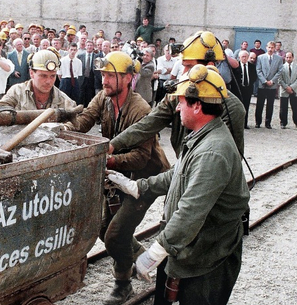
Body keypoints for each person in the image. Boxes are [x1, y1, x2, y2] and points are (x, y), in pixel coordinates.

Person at [106, 64, 249, 305]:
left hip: (208, 258)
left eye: (182, 101)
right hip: (194, 249)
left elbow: (191, 211)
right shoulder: (203, 137)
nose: (178, 107)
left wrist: (155, 252)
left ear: (197, 105)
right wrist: (139, 187)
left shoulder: (212, 152)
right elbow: (178, 175)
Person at [64, 51, 170, 305]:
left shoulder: (140, 109)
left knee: (114, 236)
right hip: (118, 176)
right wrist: (63, 130)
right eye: (103, 75)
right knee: (103, 229)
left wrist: (107, 159)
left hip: (144, 180)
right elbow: (84, 120)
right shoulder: (103, 98)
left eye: (111, 76)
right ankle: (140, 257)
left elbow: (141, 159)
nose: (105, 81)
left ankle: (123, 283)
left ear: (128, 79)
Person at [109, 30, 245, 161]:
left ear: (209, 66)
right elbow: (148, 124)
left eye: (189, 67)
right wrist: (113, 145)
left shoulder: (232, 108)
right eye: (183, 66)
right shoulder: (177, 95)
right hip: (186, 166)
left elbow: (226, 159)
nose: (184, 73)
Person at [0, 49, 77, 110]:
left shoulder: (63, 100)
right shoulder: (17, 92)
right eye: (43, 76)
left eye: (52, 76)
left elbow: (76, 123)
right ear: (31, 73)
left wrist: (67, 126)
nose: (48, 81)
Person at [255, 41, 283, 128]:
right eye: (269, 47)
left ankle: (268, 122)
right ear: (266, 47)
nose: (270, 49)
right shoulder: (260, 57)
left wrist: (272, 81)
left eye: (272, 48)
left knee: (270, 104)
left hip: (272, 85)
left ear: (275, 48)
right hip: (262, 84)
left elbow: (280, 71)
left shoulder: (279, 59)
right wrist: (264, 81)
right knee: (260, 104)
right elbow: (258, 70)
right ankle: (258, 122)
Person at [279, 52, 297, 129]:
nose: (288, 59)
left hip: (294, 90)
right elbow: (280, 79)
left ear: (293, 58)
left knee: (295, 108)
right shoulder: (281, 67)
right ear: (285, 58)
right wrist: (286, 87)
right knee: (283, 108)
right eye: (287, 57)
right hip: (284, 90)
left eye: (290, 57)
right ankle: (283, 123)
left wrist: (291, 87)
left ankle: (296, 122)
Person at [237, 50, 257, 129]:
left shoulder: (252, 66)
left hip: (248, 89)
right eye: (243, 57)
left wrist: (249, 83)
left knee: (246, 106)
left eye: (246, 57)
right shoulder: (236, 66)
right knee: (238, 107)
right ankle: (238, 123)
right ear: (239, 57)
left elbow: (254, 77)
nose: (244, 58)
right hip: (239, 90)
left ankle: (245, 123)